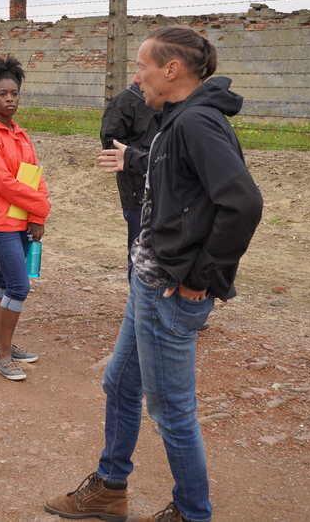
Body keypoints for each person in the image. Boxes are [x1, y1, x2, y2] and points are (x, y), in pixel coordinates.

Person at [44, 26, 263, 522]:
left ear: (172, 69)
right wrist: (135, 157)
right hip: (148, 284)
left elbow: (243, 204)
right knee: (119, 384)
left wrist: (200, 278)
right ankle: (109, 488)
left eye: (142, 66)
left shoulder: (197, 123)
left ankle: (192, 512)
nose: (136, 77)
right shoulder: (177, 119)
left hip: (170, 292)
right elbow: (181, 176)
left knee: (171, 411)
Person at [0, 55, 50, 381]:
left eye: (14, 93)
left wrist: (36, 211)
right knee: (18, 285)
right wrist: (41, 208)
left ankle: (1, 344)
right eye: (2, 94)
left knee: (3, 282)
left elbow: (34, 174)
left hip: (20, 218)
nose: (10, 99)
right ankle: (4, 356)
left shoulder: (20, 134)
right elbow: (3, 182)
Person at [99, 80, 158, 274]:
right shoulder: (125, 101)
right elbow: (112, 144)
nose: (139, 77)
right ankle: (139, 302)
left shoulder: (175, 102)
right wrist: (146, 159)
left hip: (171, 194)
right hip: (138, 193)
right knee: (140, 256)